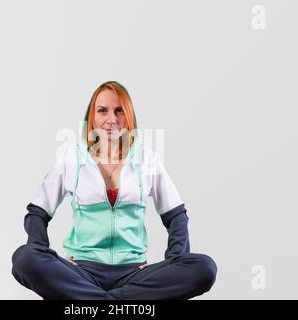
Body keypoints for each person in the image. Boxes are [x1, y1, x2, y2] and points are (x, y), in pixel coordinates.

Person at [11, 81, 217, 300]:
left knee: (204, 268)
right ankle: (122, 303)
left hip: (134, 273)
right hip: (81, 272)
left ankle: (96, 302)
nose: (112, 120)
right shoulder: (71, 159)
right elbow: (37, 212)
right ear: (92, 117)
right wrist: (43, 252)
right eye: (102, 111)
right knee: (25, 258)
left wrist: (173, 262)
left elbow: (177, 216)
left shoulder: (147, 159)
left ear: (129, 115)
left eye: (119, 110)